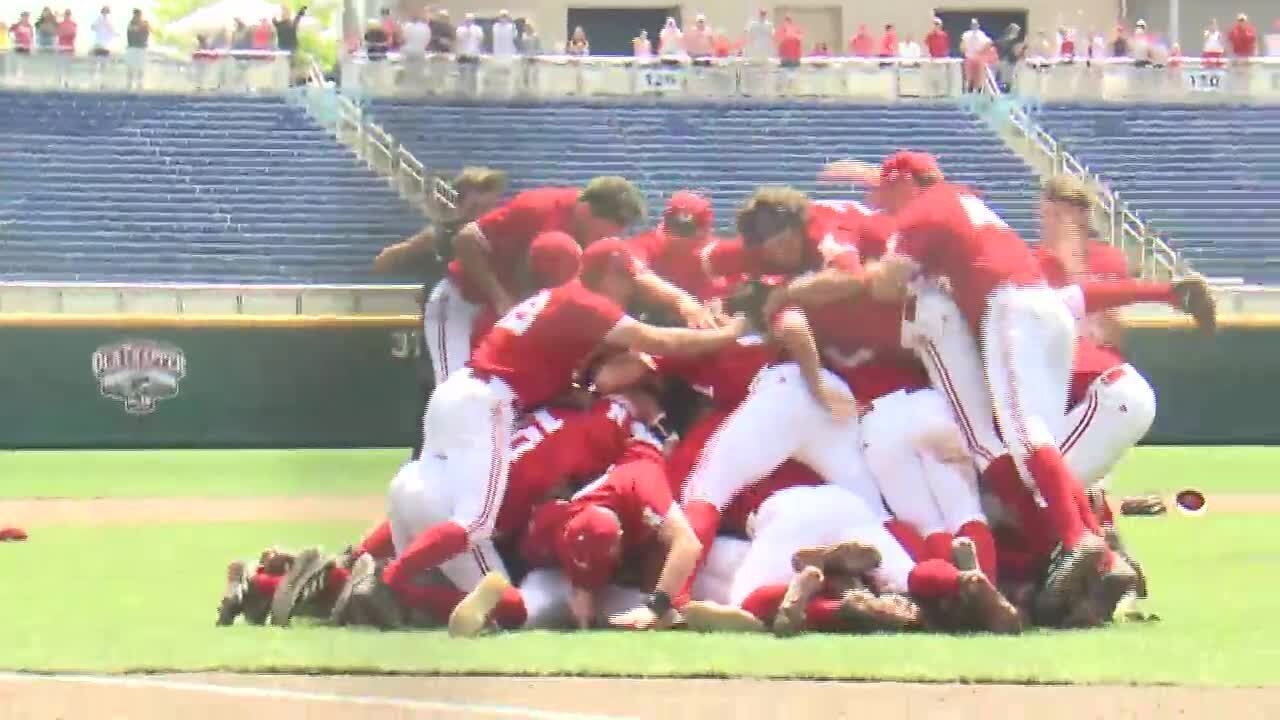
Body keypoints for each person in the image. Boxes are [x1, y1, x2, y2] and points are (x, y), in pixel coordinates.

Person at [378, 237, 750, 638]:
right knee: (478, 524)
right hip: (491, 405)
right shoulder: (588, 311)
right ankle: (391, 583)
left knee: (432, 496)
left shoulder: (557, 304)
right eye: (626, 282)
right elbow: (658, 342)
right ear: (609, 276)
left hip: (460, 397)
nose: (629, 293)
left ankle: (366, 570)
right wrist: (728, 335)